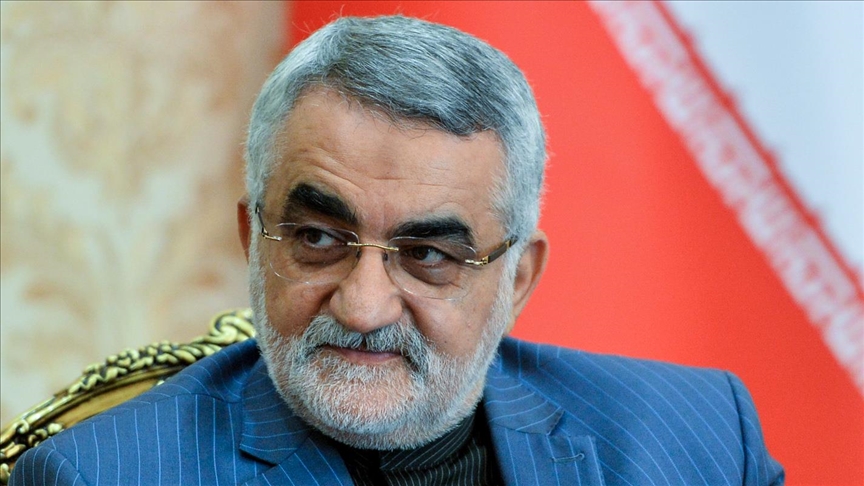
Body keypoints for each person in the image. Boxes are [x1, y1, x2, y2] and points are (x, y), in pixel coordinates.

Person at [11, 15, 783, 486]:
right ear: (253, 241)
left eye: (428, 255)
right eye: (318, 239)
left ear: (517, 277)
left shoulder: (697, 438)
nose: (364, 306)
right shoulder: (107, 475)